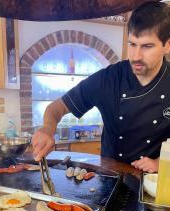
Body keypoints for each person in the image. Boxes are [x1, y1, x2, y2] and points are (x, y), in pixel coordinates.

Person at [32, 1, 170, 173]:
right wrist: (47, 128)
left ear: (167, 45)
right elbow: (57, 107)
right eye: (132, 44)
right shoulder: (109, 78)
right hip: (109, 178)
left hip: (153, 181)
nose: (136, 56)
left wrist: (160, 163)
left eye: (147, 46)